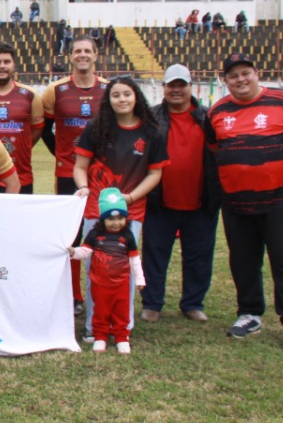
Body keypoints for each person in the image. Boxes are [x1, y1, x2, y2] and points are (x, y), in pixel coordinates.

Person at [206, 53, 283, 352]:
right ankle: (250, 313)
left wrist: (281, 160)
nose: (240, 79)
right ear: (225, 81)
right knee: (243, 260)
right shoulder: (217, 111)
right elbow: (216, 147)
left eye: (246, 73)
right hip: (236, 201)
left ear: (257, 74)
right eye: (233, 76)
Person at [73, 75, 168, 343]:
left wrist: (130, 197)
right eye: (116, 95)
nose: (122, 99)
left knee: (123, 269)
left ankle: (122, 327)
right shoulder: (96, 128)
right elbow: (80, 167)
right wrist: (84, 189)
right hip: (96, 211)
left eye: (126, 94)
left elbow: (155, 174)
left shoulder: (152, 132)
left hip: (132, 212)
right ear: (109, 100)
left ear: (136, 96)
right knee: (96, 269)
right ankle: (95, 326)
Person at [141, 64, 220, 324]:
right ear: (163, 88)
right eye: (171, 85)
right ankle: (152, 303)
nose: (176, 90)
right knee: (154, 254)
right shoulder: (151, 118)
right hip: (160, 202)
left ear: (190, 87)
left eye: (181, 85)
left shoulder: (208, 118)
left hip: (200, 200)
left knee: (199, 255)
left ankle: (193, 303)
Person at [41, 36, 109, 312]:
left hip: (102, 175)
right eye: (77, 51)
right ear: (70, 57)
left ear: (95, 56)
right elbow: (44, 128)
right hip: (67, 173)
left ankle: (102, 292)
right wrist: (60, 154)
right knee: (71, 236)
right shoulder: (55, 91)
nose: (82, 55)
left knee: (105, 232)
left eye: (87, 51)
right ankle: (74, 296)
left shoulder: (108, 89)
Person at [69, 189, 145, 354]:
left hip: (121, 285)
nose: (116, 223)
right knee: (101, 311)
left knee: (121, 312)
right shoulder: (95, 234)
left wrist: (139, 279)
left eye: (120, 218)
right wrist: (74, 252)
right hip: (100, 284)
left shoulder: (127, 236)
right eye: (111, 219)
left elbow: (134, 259)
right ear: (103, 219)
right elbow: (86, 252)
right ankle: (100, 336)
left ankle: (121, 337)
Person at [0, 42, 44, 194]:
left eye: (7, 61)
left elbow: (37, 130)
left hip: (21, 176)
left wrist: (21, 146)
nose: (2, 66)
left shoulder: (30, 95)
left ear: (14, 65)